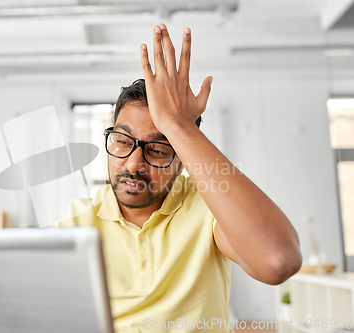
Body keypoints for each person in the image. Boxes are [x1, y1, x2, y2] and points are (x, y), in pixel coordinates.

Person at [52, 23, 302, 333]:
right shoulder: (77, 224)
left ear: (183, 160)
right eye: (121, 140)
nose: (133, 163)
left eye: (157, 148)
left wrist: (180, 127)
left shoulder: (208, 208)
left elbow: (278, 261)